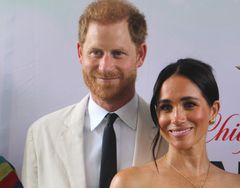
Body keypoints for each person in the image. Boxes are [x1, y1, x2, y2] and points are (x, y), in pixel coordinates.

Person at [21, 0, 167, 188]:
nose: (105, 67)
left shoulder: (170, 136)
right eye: (96, 52)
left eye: (118, 53)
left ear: (140, 54)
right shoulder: (41, 135)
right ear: (80, 53)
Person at [110, 58, 240, 188]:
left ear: (213, 110)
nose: (176, 118)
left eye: (189, 105)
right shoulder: (129, 183)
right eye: (166, 107)